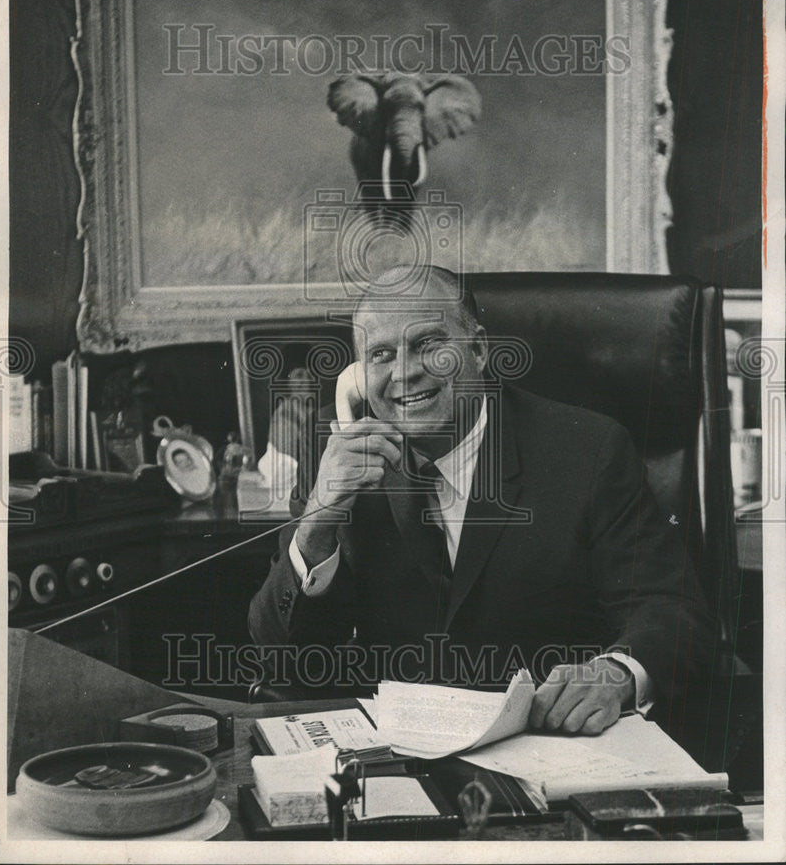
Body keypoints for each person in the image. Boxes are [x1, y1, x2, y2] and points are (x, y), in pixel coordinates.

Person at [248, 266, 716, 735]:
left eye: (429, 344)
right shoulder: (339, 453)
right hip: (401, 749)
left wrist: (614, 674)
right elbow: (280, 654)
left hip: (548, 738)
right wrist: (317, 522)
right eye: (381, 354)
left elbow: (670, 608)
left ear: (478, 350)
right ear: (358, 376)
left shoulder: (588, 450)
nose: (405, 372)